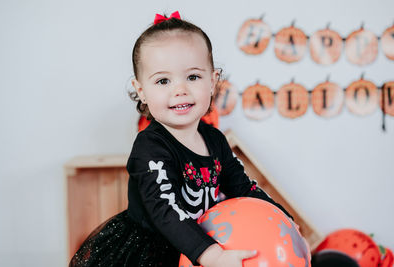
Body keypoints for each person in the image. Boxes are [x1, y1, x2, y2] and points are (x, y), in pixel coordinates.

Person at [69, 11, 293, 267]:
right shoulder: (150, 146)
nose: (180, 90)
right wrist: (213, 255)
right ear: (141, 90)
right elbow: (164, 211)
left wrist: (283, 219)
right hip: (156, 250)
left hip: (202, 239)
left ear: (212, 81)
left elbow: (243, 188)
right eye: (163, 80)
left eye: (193, 77)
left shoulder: (215, 139)